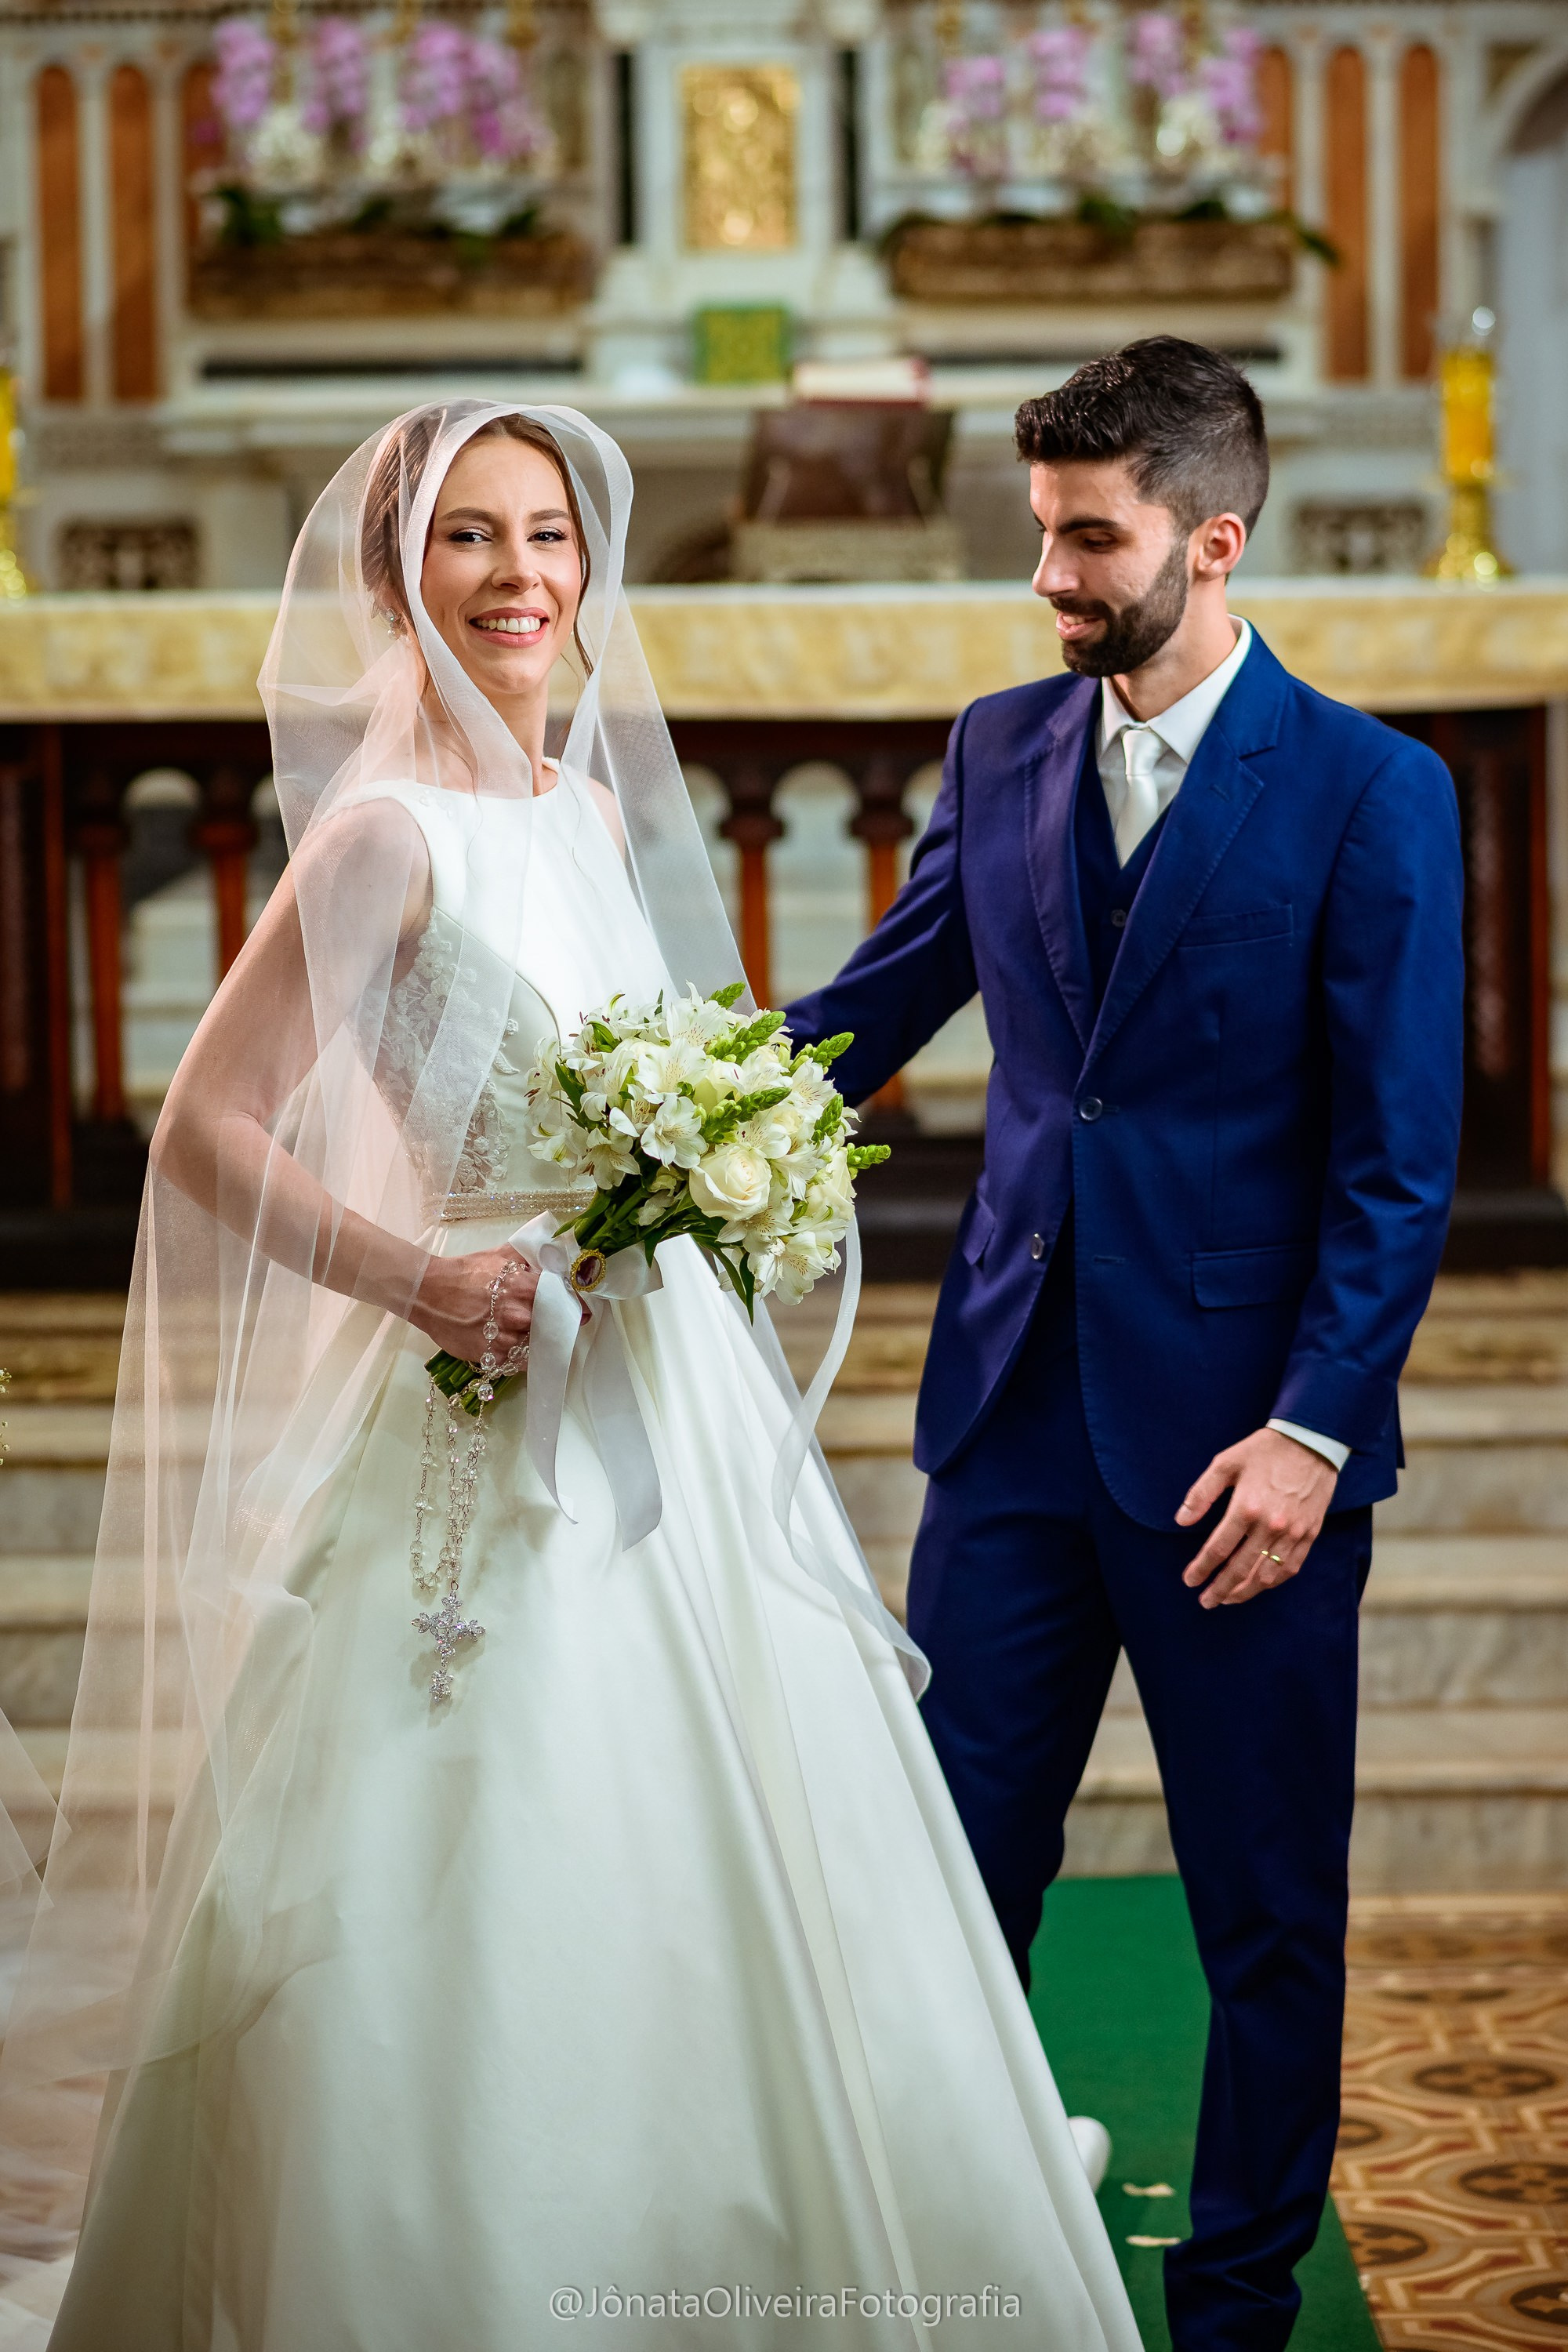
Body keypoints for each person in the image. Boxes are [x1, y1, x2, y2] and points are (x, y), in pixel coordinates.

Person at [0, 403, 1142, 2352]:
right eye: (467, 539)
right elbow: (206, 1126)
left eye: (546, 536)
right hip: (469, 1410)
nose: (519, 575)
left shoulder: (584, 808)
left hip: (656, 1397)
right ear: (396, 581)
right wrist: (420, 1281)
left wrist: (730, 1179)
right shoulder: (377, 836)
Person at [785, 338, 1465, 2352]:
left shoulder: (1370, 792)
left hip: (1238, 1461)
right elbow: (873, 1011)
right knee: (948, 1878)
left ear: (1212, 539)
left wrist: (1313, 1435)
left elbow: (1396, 1165)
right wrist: (656, 1132)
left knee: (1261, 1914)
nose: (1052, 579)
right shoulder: (997, 746)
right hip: (1001, 1427)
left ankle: (1236, 2302)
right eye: (1044, 538)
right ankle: (942, 2260)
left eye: (1092, 540)